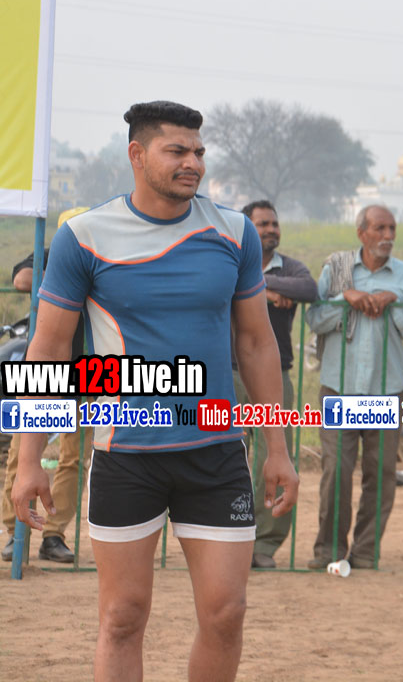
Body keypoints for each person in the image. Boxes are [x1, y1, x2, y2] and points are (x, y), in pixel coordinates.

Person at [11, 100, 299, 682]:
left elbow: (256, 344)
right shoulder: (84, 237)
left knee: (226, 614)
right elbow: (48, 349)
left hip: (216, 453)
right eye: (177, 151)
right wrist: (29, 459)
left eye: (199, 151)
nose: (193, 162)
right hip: (126, 456)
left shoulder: (234, 232)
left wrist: (278, 448)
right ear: (137, 155)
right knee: (122, 618)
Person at [305, 204, 403, 570]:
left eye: (392, 229)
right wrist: (346, 299)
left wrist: (393, 301)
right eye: (379, 228)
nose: (388, 236)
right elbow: (315, 319)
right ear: (362, 233)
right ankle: (328, 551)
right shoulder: (337, 270)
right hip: (339, 387)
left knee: (380, 474)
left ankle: (365, 552)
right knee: (336, 472)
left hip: (385, 390)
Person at [232, 200, 318, 569]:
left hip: (275, 375)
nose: (270, 229)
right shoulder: (231, 261)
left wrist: (258, 284)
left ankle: (264, 543)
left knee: (275, 454)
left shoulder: (291, 268)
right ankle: (230, 539)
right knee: (228, 456)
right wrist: (263, 292)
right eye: (262, 224)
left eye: (274, 223)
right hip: (228, 372)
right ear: (246, 229)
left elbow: (308, 288)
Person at [2, 207, 90, 565]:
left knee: (74, 458)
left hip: (89, 373)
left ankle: (54, 534)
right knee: (22, 452)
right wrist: (65, 275)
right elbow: (22, 279)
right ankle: (15, 532)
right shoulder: (49, 256)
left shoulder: (102, 263)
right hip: (44, 372)